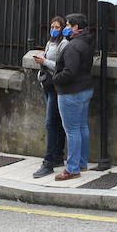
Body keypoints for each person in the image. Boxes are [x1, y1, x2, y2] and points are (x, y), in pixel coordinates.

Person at [53, 12, 95, 181]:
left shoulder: (72, 46)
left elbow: (69, 71)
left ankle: (72, 168)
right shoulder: (86, 42)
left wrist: (55, 79)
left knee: (72, 130)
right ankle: (82, 163)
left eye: (69, 25)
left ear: (76, 27)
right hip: (85, 89)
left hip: (71, 92)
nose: (66, 28)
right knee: (82, 127)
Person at [31, 15, 68, 178]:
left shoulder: (64, 44)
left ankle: (49, 161)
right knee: (56, 121)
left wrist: (44, 61)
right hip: (47, 85)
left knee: (50, 123)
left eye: (57, 27)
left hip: (55, 87)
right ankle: (58, 155)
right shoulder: (50, 42)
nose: (54, 30)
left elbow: (60, 67)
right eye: (52, 27)